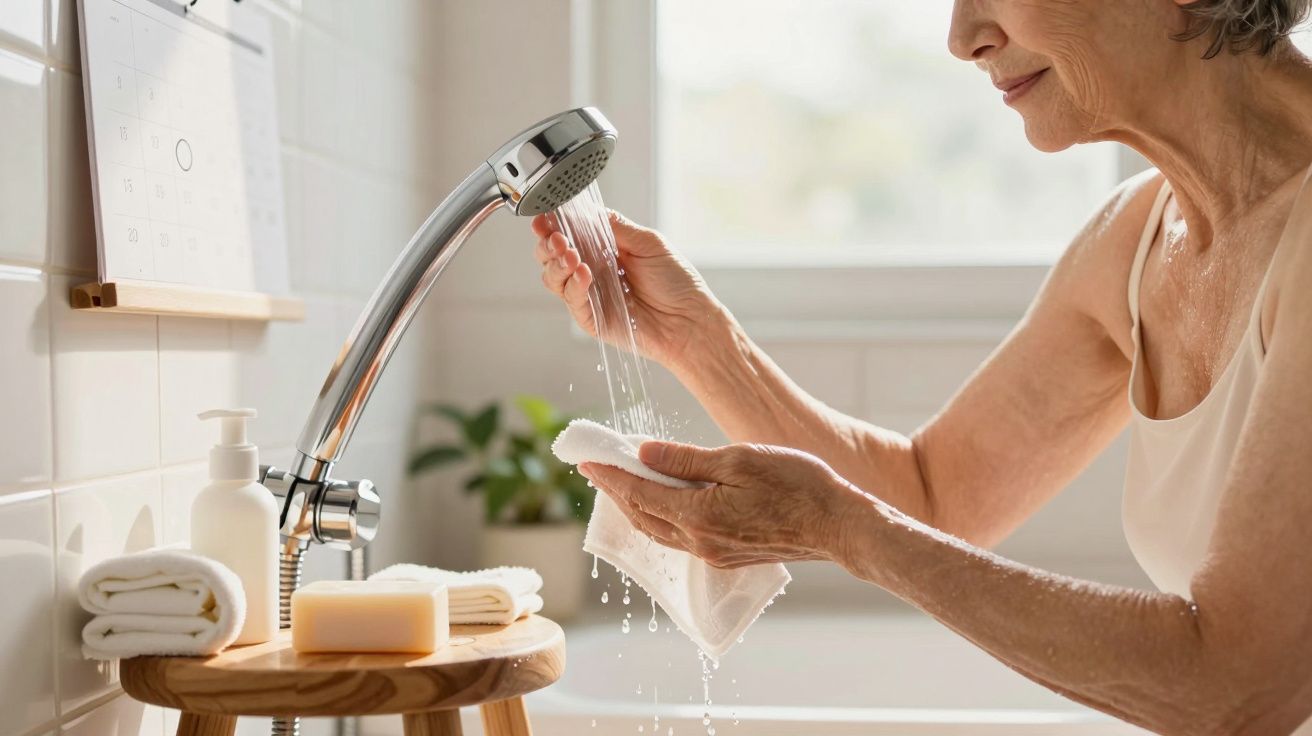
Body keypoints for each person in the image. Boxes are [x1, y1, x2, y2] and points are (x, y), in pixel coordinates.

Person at [530, 1, 1312, 732]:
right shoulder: (1140, 234)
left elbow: (1241, 686)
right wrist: (694, 336)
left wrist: (839, 528)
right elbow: (934, 497)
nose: (963, 34)